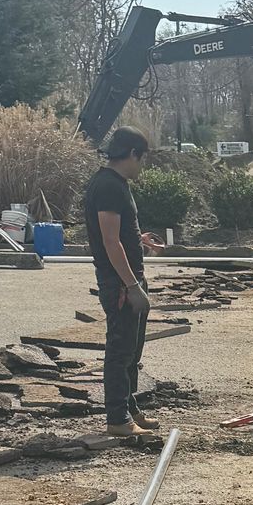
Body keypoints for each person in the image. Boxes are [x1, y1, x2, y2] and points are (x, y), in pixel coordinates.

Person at [83, 128, 159, 442]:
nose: (142, 166)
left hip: (128, 280)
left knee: (131, 351)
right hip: (120, 285)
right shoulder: (108, 186)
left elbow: (119, 235)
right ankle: (117, 417)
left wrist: (138, 240)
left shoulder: (116, 184)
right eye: (142, 159)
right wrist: (131, 286)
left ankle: (129, 408)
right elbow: (110, 242)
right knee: (120, 350)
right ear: (132, 154)